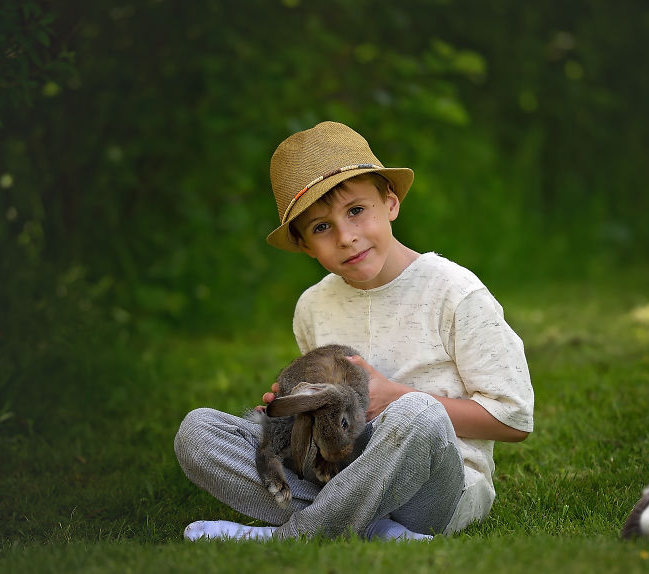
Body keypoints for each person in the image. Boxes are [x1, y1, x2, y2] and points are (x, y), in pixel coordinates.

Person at [174, 121, 534, 541]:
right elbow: (330, 424)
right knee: (198, 432)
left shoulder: (455, 293)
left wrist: (394, 397)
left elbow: (514, 421)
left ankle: (295, 535)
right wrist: (294, 408)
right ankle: (372, 528)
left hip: (434, 489)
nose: (346, 237)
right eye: (321, 227)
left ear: (390, 202)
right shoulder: (312, 306)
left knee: (418, 413)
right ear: (305, 245)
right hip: (339, 469)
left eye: (356, 211)